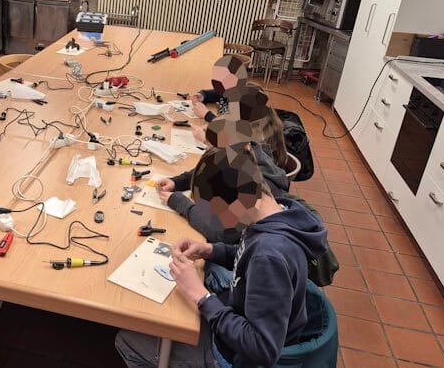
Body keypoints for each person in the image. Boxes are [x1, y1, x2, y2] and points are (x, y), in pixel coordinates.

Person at [116, 145, 329, 368]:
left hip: (236, 355)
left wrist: (201, 296)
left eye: (218, 213)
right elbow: (247, 254)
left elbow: (262, 349)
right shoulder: (275, 212)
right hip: (241, 312)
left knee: (128, 341)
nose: (217, 222)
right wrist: (210, 250)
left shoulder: (269, 255)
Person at [156, 141, 289, 244]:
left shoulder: (267, 252)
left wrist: (181, 203)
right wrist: (177, 182)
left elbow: (222, 234)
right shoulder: (247, 169)